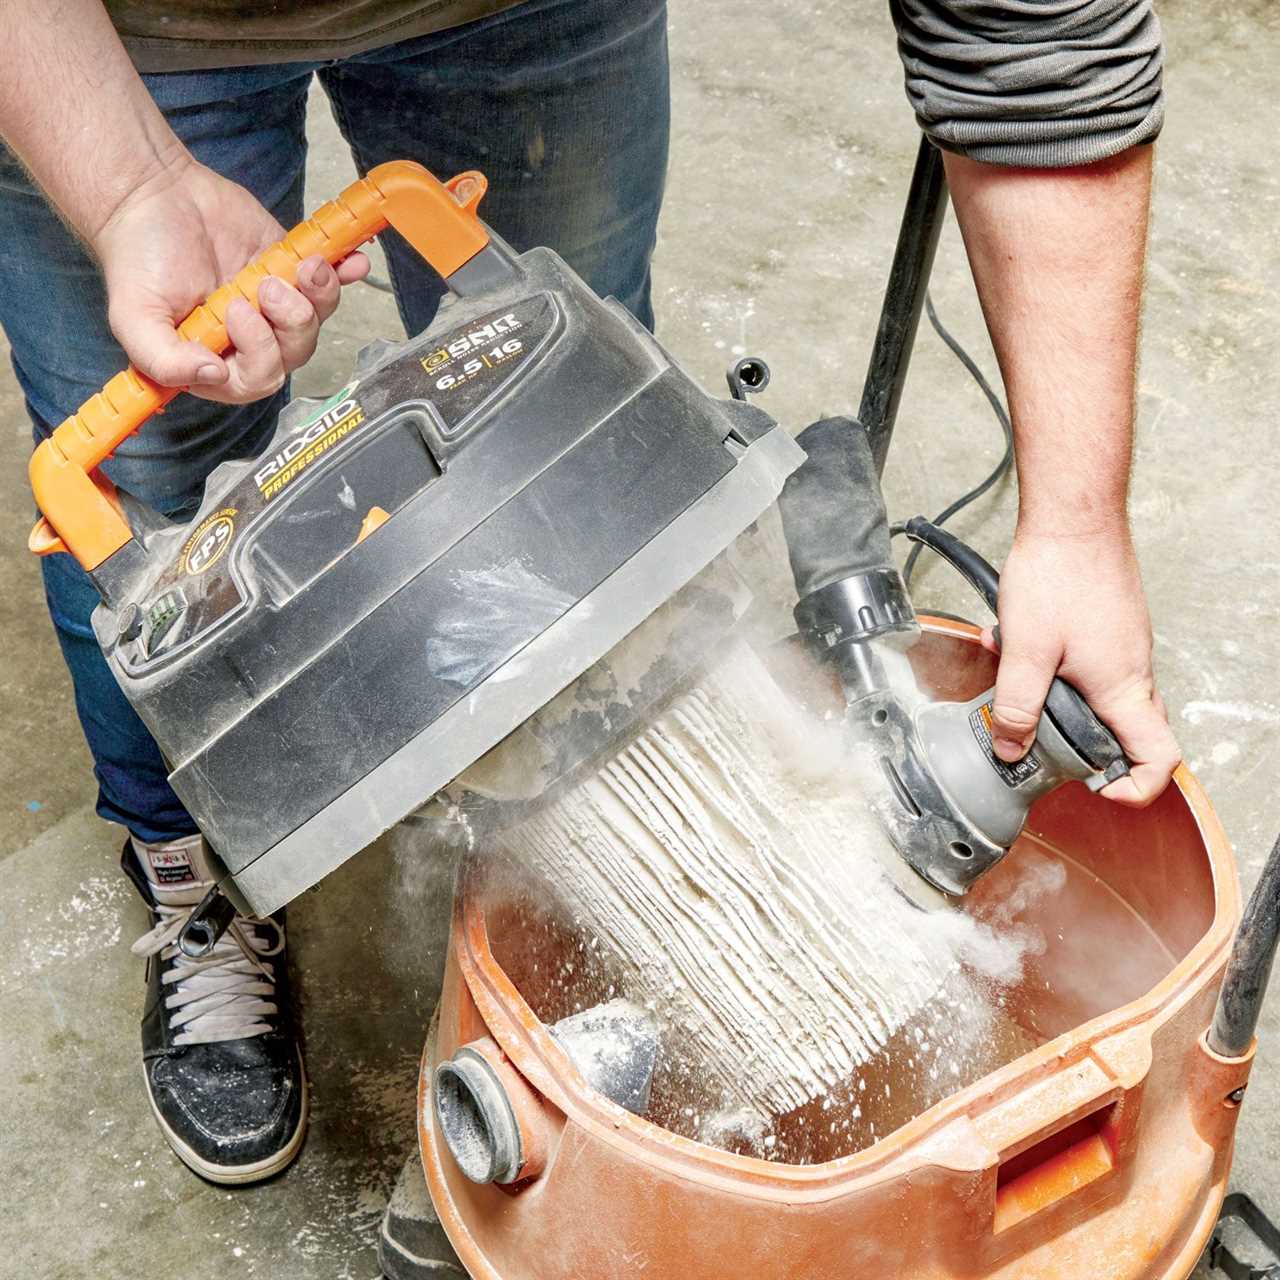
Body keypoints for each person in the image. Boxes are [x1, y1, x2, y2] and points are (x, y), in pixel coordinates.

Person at [1, 0, 1180, 1187]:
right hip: (119, 39)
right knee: (156, 521)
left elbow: (1036, 44)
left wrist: (1077, 523)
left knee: (577, 426)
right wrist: (127, 188)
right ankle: (191, 883)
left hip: (515, 16)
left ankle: (670, 878)